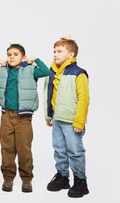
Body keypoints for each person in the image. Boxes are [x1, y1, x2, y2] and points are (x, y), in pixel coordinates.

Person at [0, 43, 50, 193]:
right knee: (7, 148)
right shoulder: (2, 71)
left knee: (24, 148)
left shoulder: (31, 70)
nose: (12, 57)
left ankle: (26, 179)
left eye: (15, 54)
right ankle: (8, 177)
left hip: (24, 118)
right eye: (9, 55)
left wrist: (36, 60)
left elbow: (45, 72)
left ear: (23, 57)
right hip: (6, 115)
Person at [44, 37, 90, 198]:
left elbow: (84, 99)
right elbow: (49, 94)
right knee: (59, 150)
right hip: (57, 118)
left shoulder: (78, 73)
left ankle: (80, 181)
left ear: (71, 54)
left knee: (75, 151)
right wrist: (49, 115)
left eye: (59, 51)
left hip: (72, 121)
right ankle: (63, 177)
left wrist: (79, 121)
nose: (55, 54)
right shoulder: (53, 72)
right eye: (54, 51)